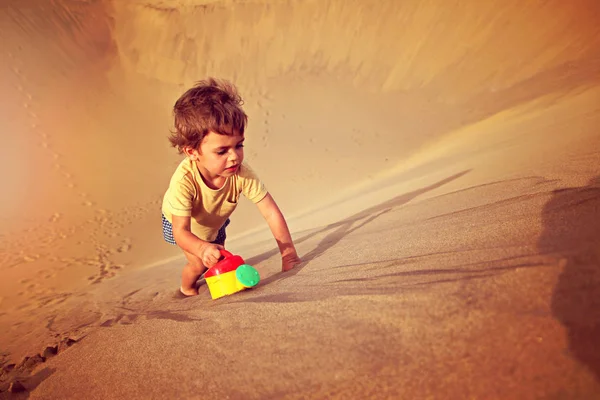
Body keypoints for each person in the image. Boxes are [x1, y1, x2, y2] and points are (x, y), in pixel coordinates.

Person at [161, 78, 302, 296]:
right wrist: (201, 248)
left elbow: (271, 212)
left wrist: (288, 253)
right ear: (192, 152)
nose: (234, 157)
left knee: (220, 256)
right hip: (180, 225)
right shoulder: (184, 181)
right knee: (199, 264)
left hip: (215, 221)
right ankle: (186, 288)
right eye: (222, 151)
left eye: (239, 145)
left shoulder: (241, 174)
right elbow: (181, 231)